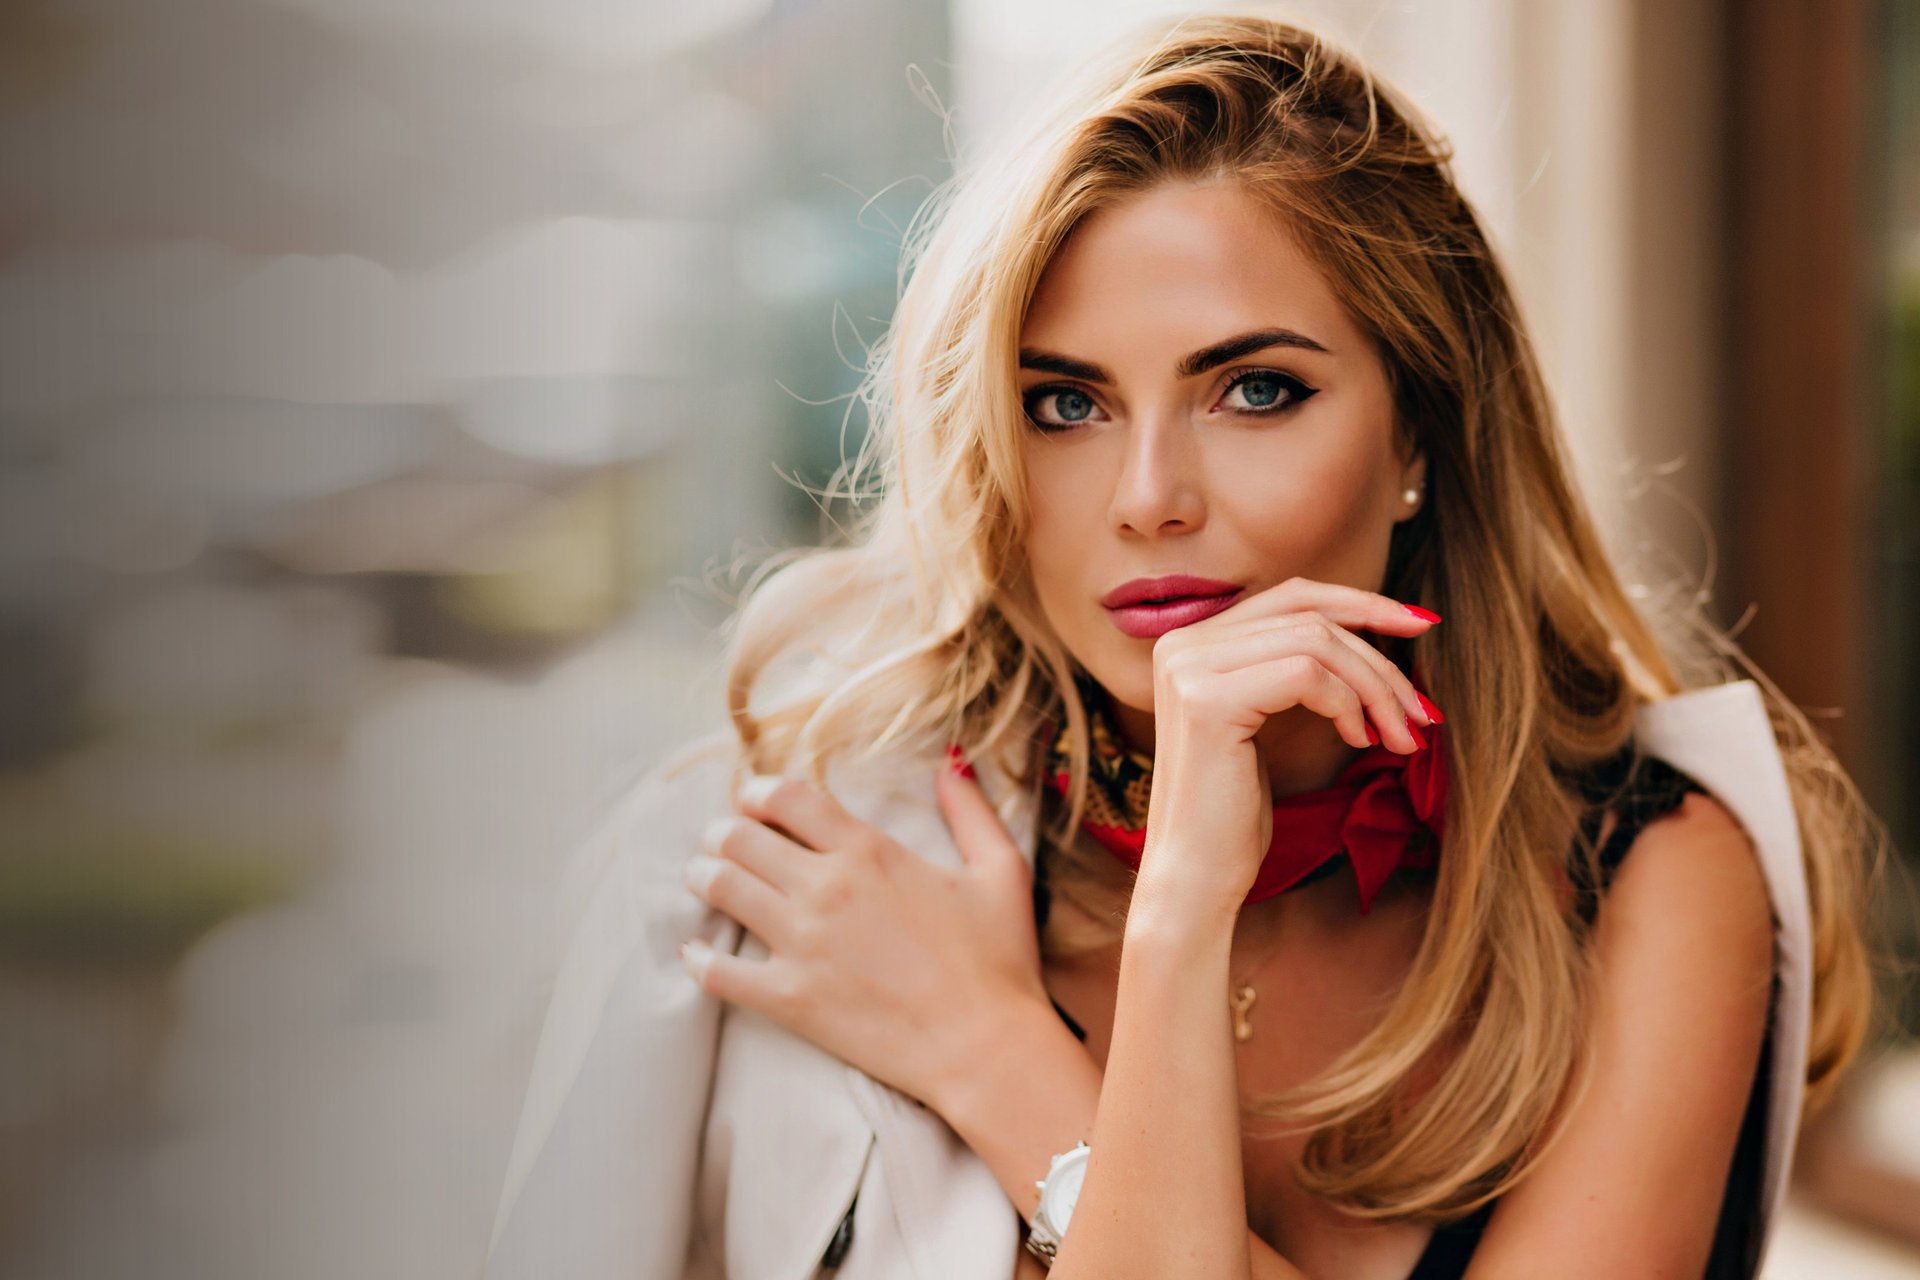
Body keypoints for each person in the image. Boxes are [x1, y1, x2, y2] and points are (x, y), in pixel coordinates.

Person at [482, 10, 1895, 1279]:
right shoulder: (811, 869)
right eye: (1066, 406)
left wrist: (1010, 1049)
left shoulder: (1652, 870)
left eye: (1256, 390)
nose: (1150, 495)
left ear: (1420, 431)